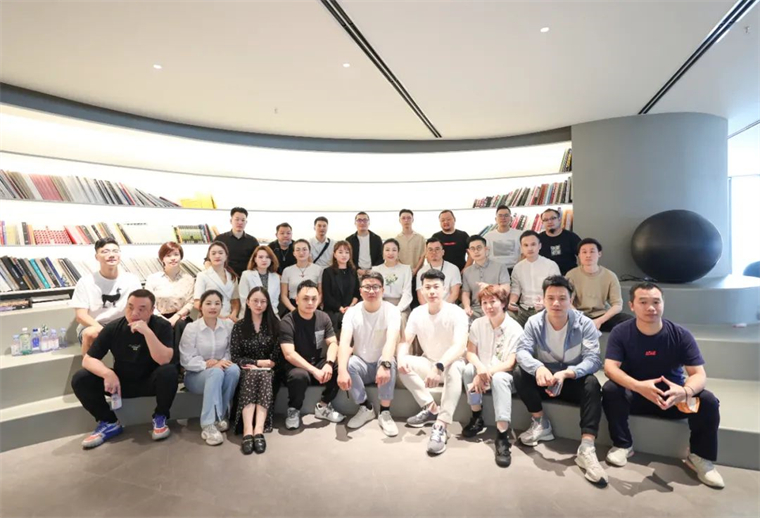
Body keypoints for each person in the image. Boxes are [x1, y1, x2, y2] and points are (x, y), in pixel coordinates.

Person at [602, 282, 724, 488]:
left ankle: (699, 456)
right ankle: (623, 445)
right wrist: (638, 386)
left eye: (656, 302)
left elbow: (698, 374)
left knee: (708, 400)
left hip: (673, 400)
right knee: (611, 389)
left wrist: (684, 391)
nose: (651, 307)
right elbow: (610, 368)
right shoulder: (621, 332)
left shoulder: (680, 334)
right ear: (632, 305)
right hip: (636, 396)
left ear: (663, 304)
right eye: (643, 302)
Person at [514, 275, 607, 487]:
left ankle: (587, 447)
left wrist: (567, 373)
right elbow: (522, 351)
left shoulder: (585, 324)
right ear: (543, 299)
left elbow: (593, 360)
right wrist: (538, 367)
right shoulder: (534, 322)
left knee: (592, 384)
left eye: (562, 298)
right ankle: (540, 423)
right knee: (520, 373)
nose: (556, 303)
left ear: (571, 299)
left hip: (570, 380)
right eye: (551, 298)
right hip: (545, 378)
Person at [71, 290, 177, 449]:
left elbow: (164, 359)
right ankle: (109, 422)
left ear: (152, 310)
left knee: (169, 371)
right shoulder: (113, 328)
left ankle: (160, 417)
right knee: (81, 378)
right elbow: (88, 359)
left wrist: (147, 332)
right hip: (120, 384)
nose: (134, 313)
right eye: (130, 307)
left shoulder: (162, 326)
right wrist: (108, 373)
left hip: (151, 382)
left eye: (141, 309)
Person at [398, 269, 468, 455]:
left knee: (454, 368)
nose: (432, 291)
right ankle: (430, 407)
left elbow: (460, 346)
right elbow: (405, 341)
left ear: (444, 289)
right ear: (421, 290)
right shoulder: (417, 313)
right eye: (427, 287)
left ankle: (441, 425)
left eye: (436, 287)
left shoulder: (457, 312)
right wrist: (401, 357)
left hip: (452, 364)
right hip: (429, 363)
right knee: (403, 363)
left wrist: (439, 366)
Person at [460, 286, 524, 467]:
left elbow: (510, 363)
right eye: (484, 302)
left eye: (493, 302)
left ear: (503, 303)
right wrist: (480, 368)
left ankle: (502, 436)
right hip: (484, 371)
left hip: (506, 377)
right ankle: (476, 416)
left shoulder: (515, 328)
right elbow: (470, 353)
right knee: (468, 370)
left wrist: (486, 373)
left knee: (499, 378)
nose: (488, 306)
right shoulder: (478, 324)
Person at [337, 272, 401, 437]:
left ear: (383, 290)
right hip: (362, 364)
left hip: (382, 363)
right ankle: (366, 407)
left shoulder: (392, 311)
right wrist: (341, 371)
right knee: (350, 363)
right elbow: (344, 343)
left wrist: (385, 364)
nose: (371, 291)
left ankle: (385, 412)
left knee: (389, 361)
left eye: (375, 287)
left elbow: (391, 341)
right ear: (360, 291)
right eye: (367, 287)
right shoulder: (352, 312)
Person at [279, 280, 345, 429]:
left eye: (314, 299)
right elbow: (289, 354)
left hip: (316, 361)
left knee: (339, 367)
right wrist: (314, 371)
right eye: (305, 298)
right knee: (299, 376)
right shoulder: (287, 321)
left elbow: (333, 343)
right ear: (297, 300)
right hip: (295, 366)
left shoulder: (323, 317)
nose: (310, 303)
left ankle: (323, 405)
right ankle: (293, 410)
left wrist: (329, 363)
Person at [180, 290, 241, 446]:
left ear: (222, 306)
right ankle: (208, 424)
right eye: (208, 303)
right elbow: (186, 359)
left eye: (217, 303)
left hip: (219, 370)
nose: (213, 307)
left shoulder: (227, 325)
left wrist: (222, 362)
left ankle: (221, 415)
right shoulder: (192, 328)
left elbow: (230, 351)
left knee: (234, 370)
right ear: (201, 306)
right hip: (195, 376)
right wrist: (207, 364)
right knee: (215, 372)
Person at [231, 287, 281, 455]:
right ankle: (248, 430)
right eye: (255, 301)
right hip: (246, 371)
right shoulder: (239, 326)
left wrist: (266, 365)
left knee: (264, 375)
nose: (259, 305)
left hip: (269, 372)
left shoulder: (275, 325)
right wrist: (256, 363)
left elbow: (277, 356)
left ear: (268, 304)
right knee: (253, 374)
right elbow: (235, 357)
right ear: (247, 302)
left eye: (263, 301)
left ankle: (258, 429)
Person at [71, 238, 142, 355]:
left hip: (122, 325)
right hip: (94, 325)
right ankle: (89, 365)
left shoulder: (132, 279)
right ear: (96, 257)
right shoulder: (86, 282)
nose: (111, 255)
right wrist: (106, 331)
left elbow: (139, 307)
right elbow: (81, 316)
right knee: (91, 334)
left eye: (115, 251)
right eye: (105, 252)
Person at [566, 238, 633, 332]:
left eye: (592, 251)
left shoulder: (610, 276)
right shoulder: (571, 275)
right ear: (579, 255)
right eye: (584, 252)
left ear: (599, 254)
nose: (588, 255)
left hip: (602, 316)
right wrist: (582, 320)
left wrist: (599, 321)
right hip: (579, 315)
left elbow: (617, 304)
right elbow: (567, 302)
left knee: (629, 321)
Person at [144, 241, 194, 359]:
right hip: (157, 317)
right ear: (162, 258)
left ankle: (179, 363)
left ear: (181, 256)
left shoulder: (188, 278)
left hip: (180, 317)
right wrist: (162, 318)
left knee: (181, 325)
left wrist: (176, 316)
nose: (173, 258)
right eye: (168, 255)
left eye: (176, 254)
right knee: (159, 326)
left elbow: (191, 301)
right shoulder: (153, 278)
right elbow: (148, 302)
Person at [508, 230, 560, 327]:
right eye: (526, 245)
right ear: (521, 248)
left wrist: (545, 303)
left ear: (539, 246)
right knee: (507, 318)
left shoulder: (551, 265)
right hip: (523, 310)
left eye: (533, 244)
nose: (530, 248)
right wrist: (512, 302)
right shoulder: (518, 267)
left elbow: (556, 290)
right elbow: (515, 289)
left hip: (545, 308)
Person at [461, 235, 510, 321]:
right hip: (475, 309)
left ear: (486, 249)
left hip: (495, 307)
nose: (476, 251)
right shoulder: (467, 271)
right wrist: (467, 306)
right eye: (472, 249)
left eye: (479, 248)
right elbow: (465, 293)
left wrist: (489, 287)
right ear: (469, 251)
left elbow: (506, 289)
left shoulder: (500, 267)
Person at [320, 240, 360, 337]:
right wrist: (340, 308)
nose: (344, 255)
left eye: (347, 252)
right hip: (333, 310)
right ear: (334, 254)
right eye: (340, 252)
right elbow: (327, 296)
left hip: (351, 309)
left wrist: (351, 306)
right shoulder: (328, 272)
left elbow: (357, 292)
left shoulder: (353, 271)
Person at [194, 241, 240, 321]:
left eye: (220, 253)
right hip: (209, 319)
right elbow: (197, 303)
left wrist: (233, 314)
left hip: (229, 319)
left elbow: (235, 300)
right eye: (213, 253)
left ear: (226, 256)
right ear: (209, 257)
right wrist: (218, 317)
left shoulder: (232, 276)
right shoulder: (202, 275)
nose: (217, 256)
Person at [372, 238, 413, 321]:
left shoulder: (406, 269)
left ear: (398, 253)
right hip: (381, 304)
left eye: (394, 250)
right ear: (383, 253)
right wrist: (382, 308)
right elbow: (375, 292)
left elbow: (407, 293)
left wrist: (397, 309)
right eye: (387, 250)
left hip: (401, 305)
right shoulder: (376, 270)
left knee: (400, 318)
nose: (390, 253)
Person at [280, 239, 322, 315]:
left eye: (304, 249)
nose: (301, 252)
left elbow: (320, 293)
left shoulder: (318, 269)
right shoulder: (287, 270)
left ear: (309, 252)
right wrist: (294, 310)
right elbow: (283, 295)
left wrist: (312, 307)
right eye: (298, 250)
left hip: (312, 305)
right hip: (293, 306)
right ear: (294, 253)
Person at [215, 207, 260, 279]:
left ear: (246, 222)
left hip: (246, 277)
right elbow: (209, 259)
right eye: (237, 219)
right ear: (231, 221)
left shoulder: (252, 241)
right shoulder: (220, 239)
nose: (240, 222)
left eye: (243, 220)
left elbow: (257, 261)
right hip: (225, 277)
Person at [416, 237, 462, 305]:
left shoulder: (453, 269)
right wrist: (429, 309)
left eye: (437, 249)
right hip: (428, 308)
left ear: (443, 252)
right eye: (430, 250)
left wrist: (441, 308)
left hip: (448, 307)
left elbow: (455, 294)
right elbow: (421, 297)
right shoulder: (421, 272)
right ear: (426, 253)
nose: (434, 252)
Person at [239, 245, 281, 318]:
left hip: (271, 315)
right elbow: (244, 299)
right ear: (255, 259)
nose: (264, 260)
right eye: (260, 257)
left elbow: (274, 301)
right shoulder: (246, 275)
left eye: (267, 257)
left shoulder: (276, 277)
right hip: (249, 315)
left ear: (271, 259)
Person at [538, 208, 581, 275]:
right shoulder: (538, 239)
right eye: (546, 220)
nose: (549, 222)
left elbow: (583, 255)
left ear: (559, 219)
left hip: (569, 276)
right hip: (546, 276)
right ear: (542, 223)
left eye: (553, 218)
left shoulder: (571, 237)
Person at [484, 205, 522, 271]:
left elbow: (524, 254)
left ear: (511, 218)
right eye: (500, 215)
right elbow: (484, 256)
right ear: (496, 219)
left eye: (506, 215)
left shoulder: (520, 235)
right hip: (494, 270)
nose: (503, 218)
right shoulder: (488, 236)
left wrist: (518, 269)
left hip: (514, 269)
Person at [345, 211, 383, 276]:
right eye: (359, 220)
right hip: (355, 272)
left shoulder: (376, 239)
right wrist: (357, 269)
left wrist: (373, 269)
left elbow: (381, 257)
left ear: (369, 222)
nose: (362, 223)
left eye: (365, 220)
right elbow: (348, 258)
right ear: (355, 223)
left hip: (374, 272)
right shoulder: (349, 240)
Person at [395, 209, 426, 278]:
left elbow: (422, 256)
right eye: (403, 218)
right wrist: (406, 270)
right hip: (402, 274)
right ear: (400, 220)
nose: (406, 220)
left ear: (413, 220)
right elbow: (396, 258)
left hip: (419, 273)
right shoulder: (396, 240)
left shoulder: (420, 238)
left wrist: (415, 270)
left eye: (409, 218)